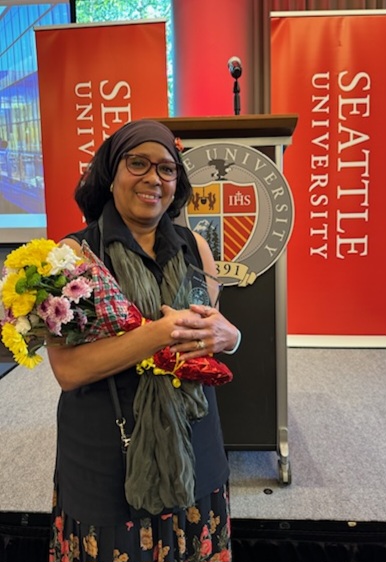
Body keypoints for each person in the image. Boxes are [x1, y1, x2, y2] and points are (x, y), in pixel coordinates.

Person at [47, 119, 240, 562]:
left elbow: (206, 334)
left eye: (167, 169)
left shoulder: (196, 246)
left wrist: (232, 337)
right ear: (112, 172)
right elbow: (70, 371)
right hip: (106, 453)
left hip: (194, 443)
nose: (154, 178)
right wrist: (157, 334)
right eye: (138, 163)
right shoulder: (74, 255)